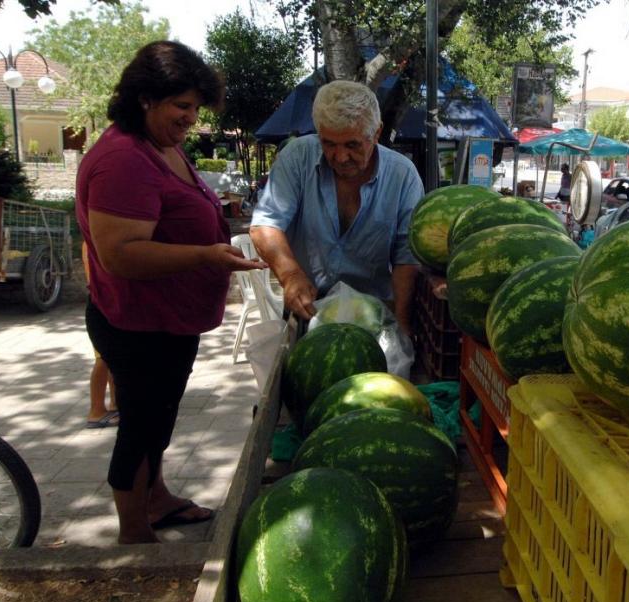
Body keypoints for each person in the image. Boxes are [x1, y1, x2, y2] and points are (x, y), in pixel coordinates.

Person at [76, 41, 266, 544]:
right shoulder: (122, 159)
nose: (191, 118)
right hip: (137, 323)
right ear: (145, 98)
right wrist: (204, 255)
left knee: (159, 420)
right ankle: (134, 535)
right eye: (182, 107)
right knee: (139, 428)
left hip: (168, 320)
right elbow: (121, 252)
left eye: (195, 108)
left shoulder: (159, 144)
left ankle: (156, 499)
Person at [250, 80, 424, 333]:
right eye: (329, 144)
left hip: (373, 319)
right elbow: (265, 225)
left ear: (376, 133)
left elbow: (406, 257)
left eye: (352, 145)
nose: (340, 157)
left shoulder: (403, 175)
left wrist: (403, 329)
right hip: (306, 311)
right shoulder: (297, 158)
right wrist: (291, 275)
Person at [82, 241, 118, 429]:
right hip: (102, 305)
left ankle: (115, 404)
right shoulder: (91, 243)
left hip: (108, 303)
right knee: (102, 359)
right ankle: (96, 411)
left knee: (113, 359)